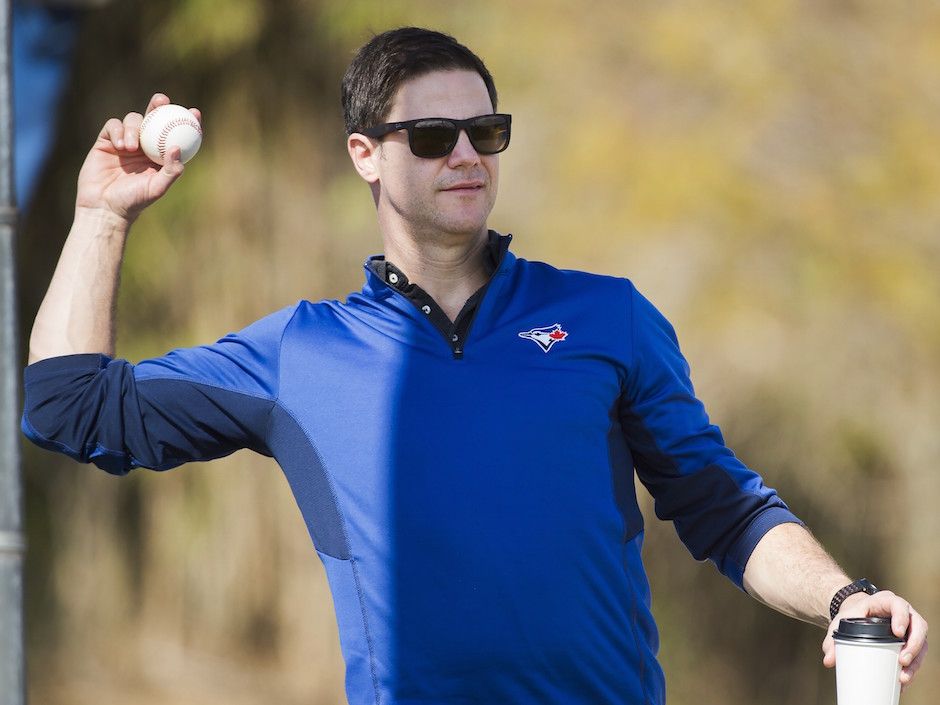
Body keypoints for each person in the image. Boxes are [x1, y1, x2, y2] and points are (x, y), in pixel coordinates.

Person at [21, 26, 927, 705]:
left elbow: (725, 509)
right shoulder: (302, 351)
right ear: (364, 155)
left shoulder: (606, 315)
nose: (464, 154)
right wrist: (103, 218)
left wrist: (844, 594)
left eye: (484, 132)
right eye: (431, 136)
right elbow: (70, 408)